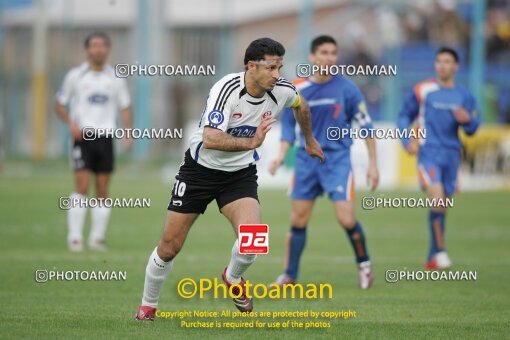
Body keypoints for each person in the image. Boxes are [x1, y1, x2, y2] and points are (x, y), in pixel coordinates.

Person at [135, 37, 324, 320]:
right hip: (199, 171)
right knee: (169, 246)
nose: (277, 75)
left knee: (253, 239)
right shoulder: (226, 89)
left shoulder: (282, 90)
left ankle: (233, 279)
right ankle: (147, 306)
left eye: (280, 68)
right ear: (251, 66)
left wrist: (309, 140)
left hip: (238, 175)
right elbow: (210, 138)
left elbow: (303, 106)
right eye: (271, 68)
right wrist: (252, 143)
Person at [269, 35, 378, 289]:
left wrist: (373, 164)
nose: (330, 58)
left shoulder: (347, 89)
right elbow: (287, 128)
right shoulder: (297, 89)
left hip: (337, 161)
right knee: (298, 220)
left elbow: (366, 125)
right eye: (325, 53)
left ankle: (364, 264)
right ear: (313, 57)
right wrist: (281, 156)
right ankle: (290, 275)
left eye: (333, 53)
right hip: (307, 163)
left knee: (346, 219)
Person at [397, 47, 480, 269]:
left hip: (452, 154)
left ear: (456, 66)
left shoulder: (464, 95)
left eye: (447, 62)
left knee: (442, 206)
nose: (442, 65)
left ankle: (432, 256)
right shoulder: (424, 90)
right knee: (437, 199)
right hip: (429, 153)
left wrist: (467, 121)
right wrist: (407, 140)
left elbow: (474, 126)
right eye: (439, 61)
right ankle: (441, 253)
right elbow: (404, 114)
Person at [55, 32, 132, 252]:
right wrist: (70, 123)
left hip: (106, 138)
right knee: (81, 186)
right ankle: (75, 237)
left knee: (102, 188)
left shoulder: (116, 78)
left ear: (108, 49)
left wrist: (127, 133)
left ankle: (97, 238)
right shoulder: (75, 76)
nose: (98, 49)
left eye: (102, 46)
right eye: (94, 46)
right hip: (83, 138)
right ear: (87, 50)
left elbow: (125, 106)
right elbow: (60, 103)